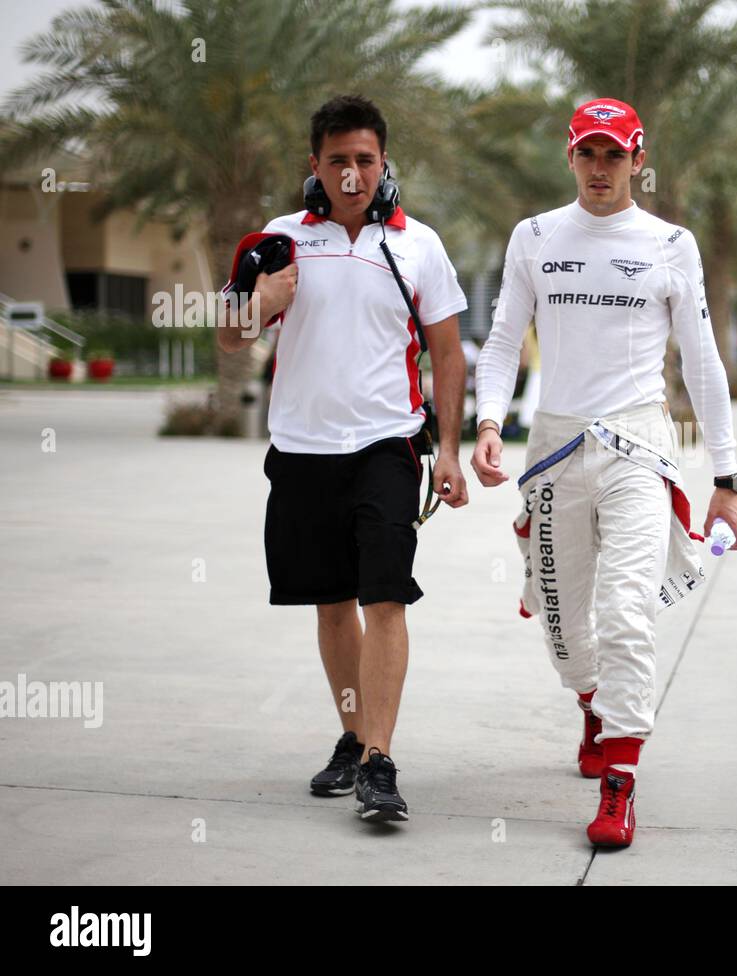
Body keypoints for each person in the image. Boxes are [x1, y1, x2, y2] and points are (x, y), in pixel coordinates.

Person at [470, 97, 737, 849]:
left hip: (637, 446)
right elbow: (500, 343)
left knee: (626, 612)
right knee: (564, 633)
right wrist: (489, 422)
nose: (601, 168)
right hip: (555, 451)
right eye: (588, 154)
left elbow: (701, 361)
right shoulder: (535, 237)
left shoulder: (670, 244)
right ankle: (593, 702)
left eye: (615, 155)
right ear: (570, 157)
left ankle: (620, 781)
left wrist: (728, 478)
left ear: (637, 158)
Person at [216, 94, 470, 823]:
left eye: (365, 160)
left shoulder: (417, 244)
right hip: (301, 450)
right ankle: (353, 737)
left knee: (384, 595)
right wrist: (259, 298)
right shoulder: (279, 240)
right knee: (332, 602)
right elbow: (232, 340)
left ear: (383, 161)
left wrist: (447, 450)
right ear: (315, 166)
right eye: (338, 162)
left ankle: (380, 762)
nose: (352, 174)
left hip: (386, 447)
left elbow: (448, 354)